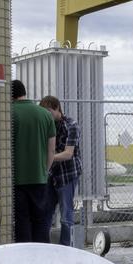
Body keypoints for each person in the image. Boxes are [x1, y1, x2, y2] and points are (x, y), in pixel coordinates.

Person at [10, 80, 56, 243]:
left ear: (10, 95)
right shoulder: (44, 114)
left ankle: (24, 259)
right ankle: (42, 257)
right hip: (40, 178)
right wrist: (44, 171)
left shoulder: (9, 113)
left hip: (16, 179)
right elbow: (51, 149)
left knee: (22, 221)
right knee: (41, 220)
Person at [39, 95, 81, 246]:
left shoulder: (72, 125)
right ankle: (44, 246)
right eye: (44, 112)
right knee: (46, 212)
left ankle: (65, 248)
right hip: (51, 175)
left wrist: (47, 159)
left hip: (67, 175)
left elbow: (68, 154)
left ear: (58, 109)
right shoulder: (46, 125)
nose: (47, 116)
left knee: (66, 216)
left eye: (49, 112)